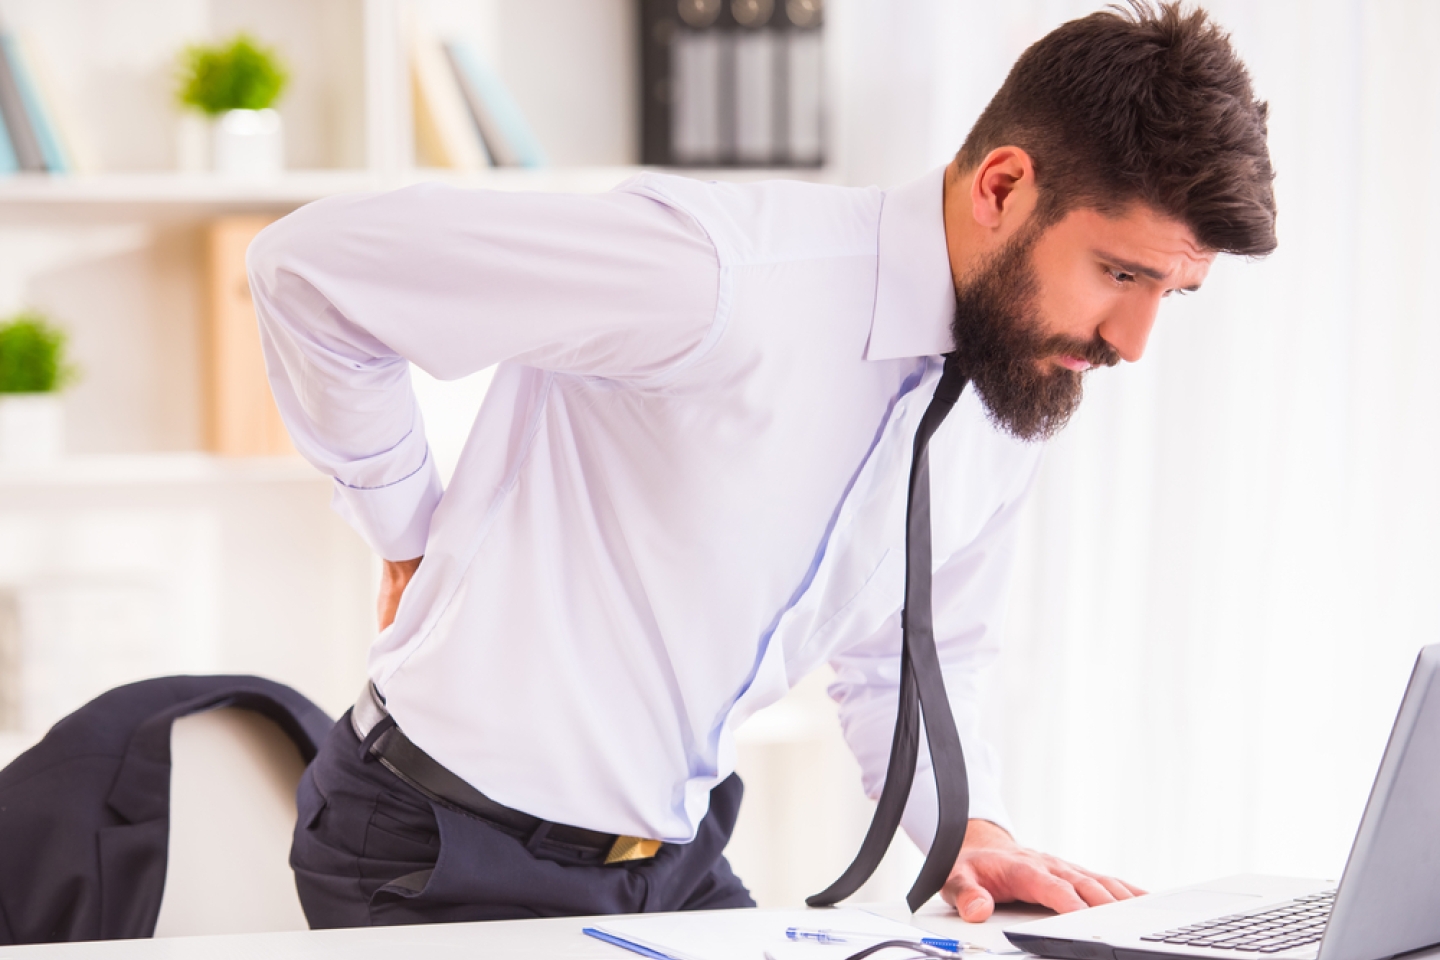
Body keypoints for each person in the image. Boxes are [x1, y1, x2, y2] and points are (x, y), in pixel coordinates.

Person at [248, 0, 1275, 929]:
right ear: (1003, 186)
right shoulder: (720, 275)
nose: (1132, 341)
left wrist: (973, 836)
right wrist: (407, 533)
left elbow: (911, 659)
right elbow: (311, 271)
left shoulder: (1011, 387)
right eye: (1120, 273)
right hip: (439, 850)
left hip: (675, 860)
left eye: (1169, 294)